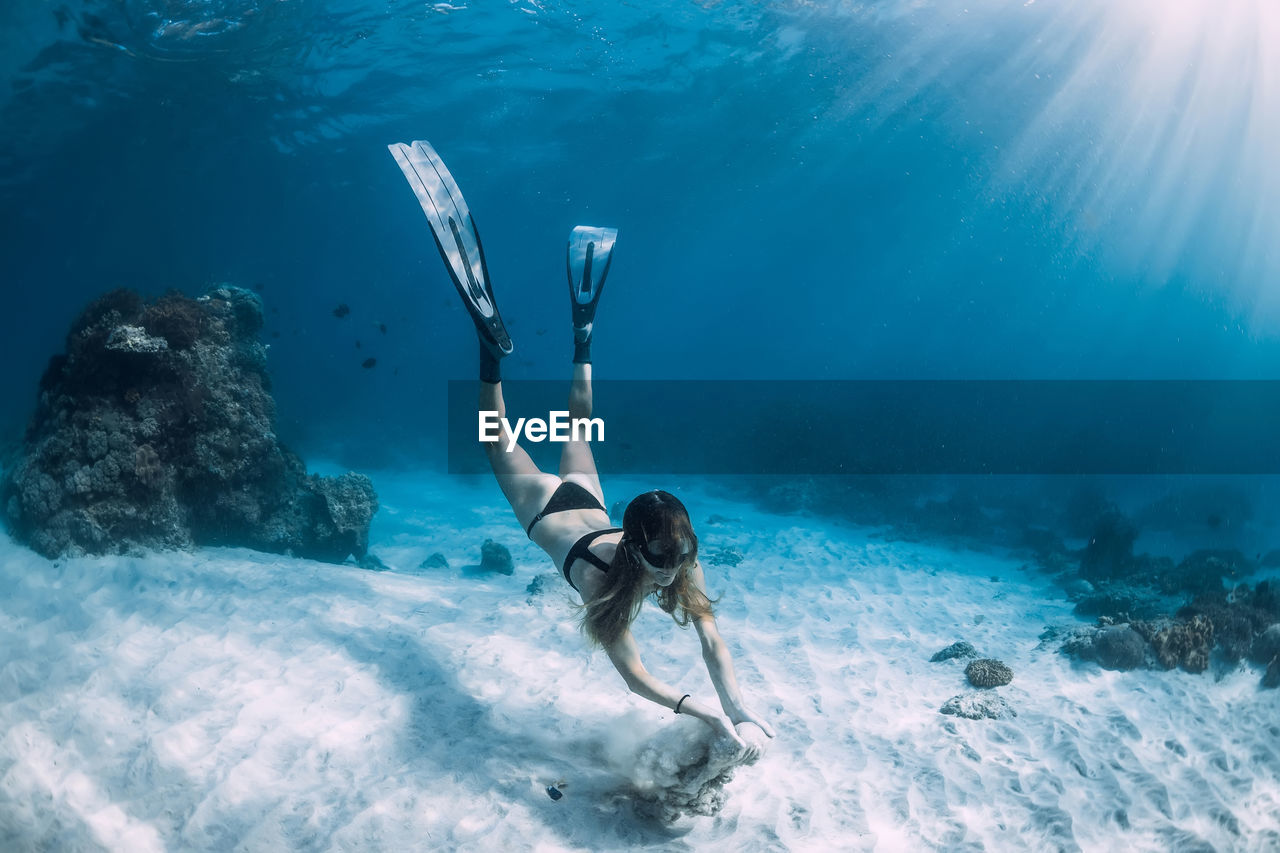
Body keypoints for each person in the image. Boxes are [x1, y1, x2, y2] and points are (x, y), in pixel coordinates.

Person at [389, 140, 775, 758]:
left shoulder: (675, 549)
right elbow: (634, 676)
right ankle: (491, 353)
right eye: (664, 557)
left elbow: (713, 642)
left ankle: (582, 336)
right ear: (634, 543)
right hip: (551, 510)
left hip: (590, 505)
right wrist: (702, 711)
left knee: (576, 424)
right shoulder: (604, 585)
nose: (675, 569)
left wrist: (740, 707)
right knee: (497, 439)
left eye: (680, 553)